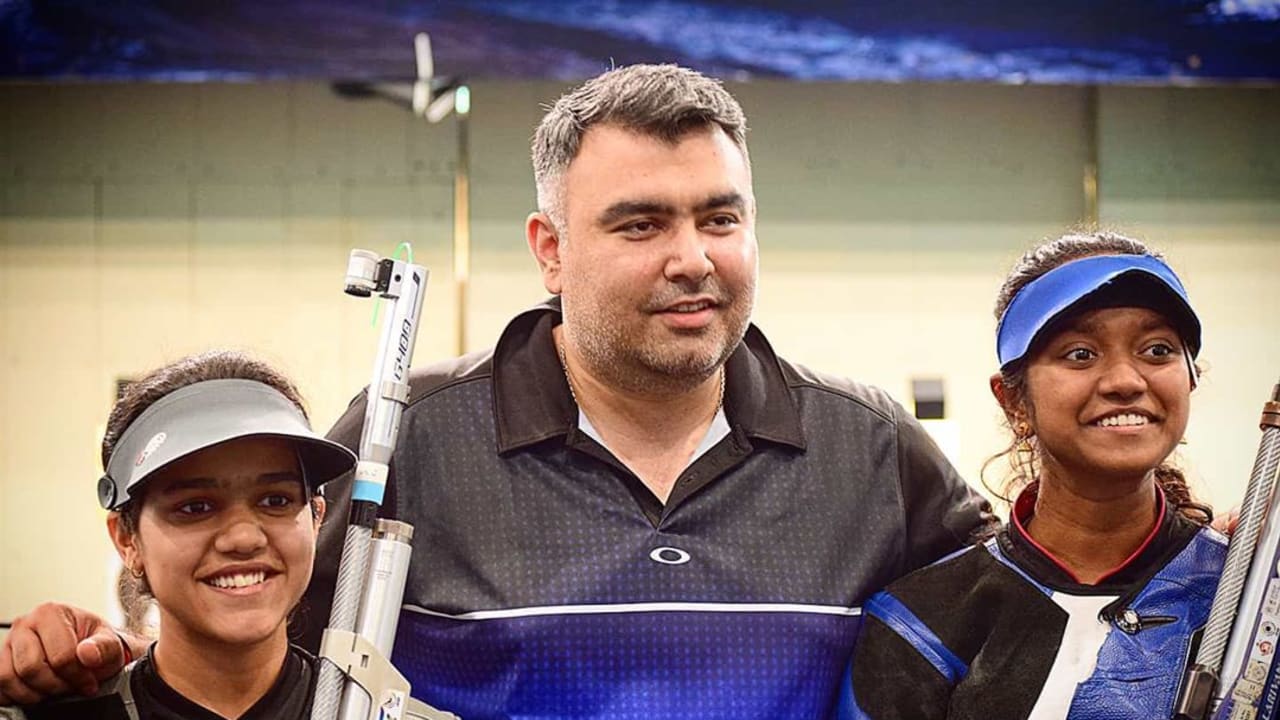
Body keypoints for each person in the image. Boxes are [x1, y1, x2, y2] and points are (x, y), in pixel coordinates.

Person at [1, 64, 994, 719]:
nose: (692, 258)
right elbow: (254, 649)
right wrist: (96, 663)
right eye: (641, 225)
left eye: (720, 219)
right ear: (549, 251)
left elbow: (1029, 615)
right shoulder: (411, 438)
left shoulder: (869, 448)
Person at [846, 231, 1227, 719]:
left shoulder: (1249, 595)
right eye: (1080, 354)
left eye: (1157, 350)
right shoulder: (920, 624)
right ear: (1013, 402)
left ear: (1191, 378)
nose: (1126, 381)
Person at [1, 351, 356, 719]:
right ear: (127, 540)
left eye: (275, 500)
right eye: (195, 507)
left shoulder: (367, 709)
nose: (243, 538)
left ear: (316, 517)